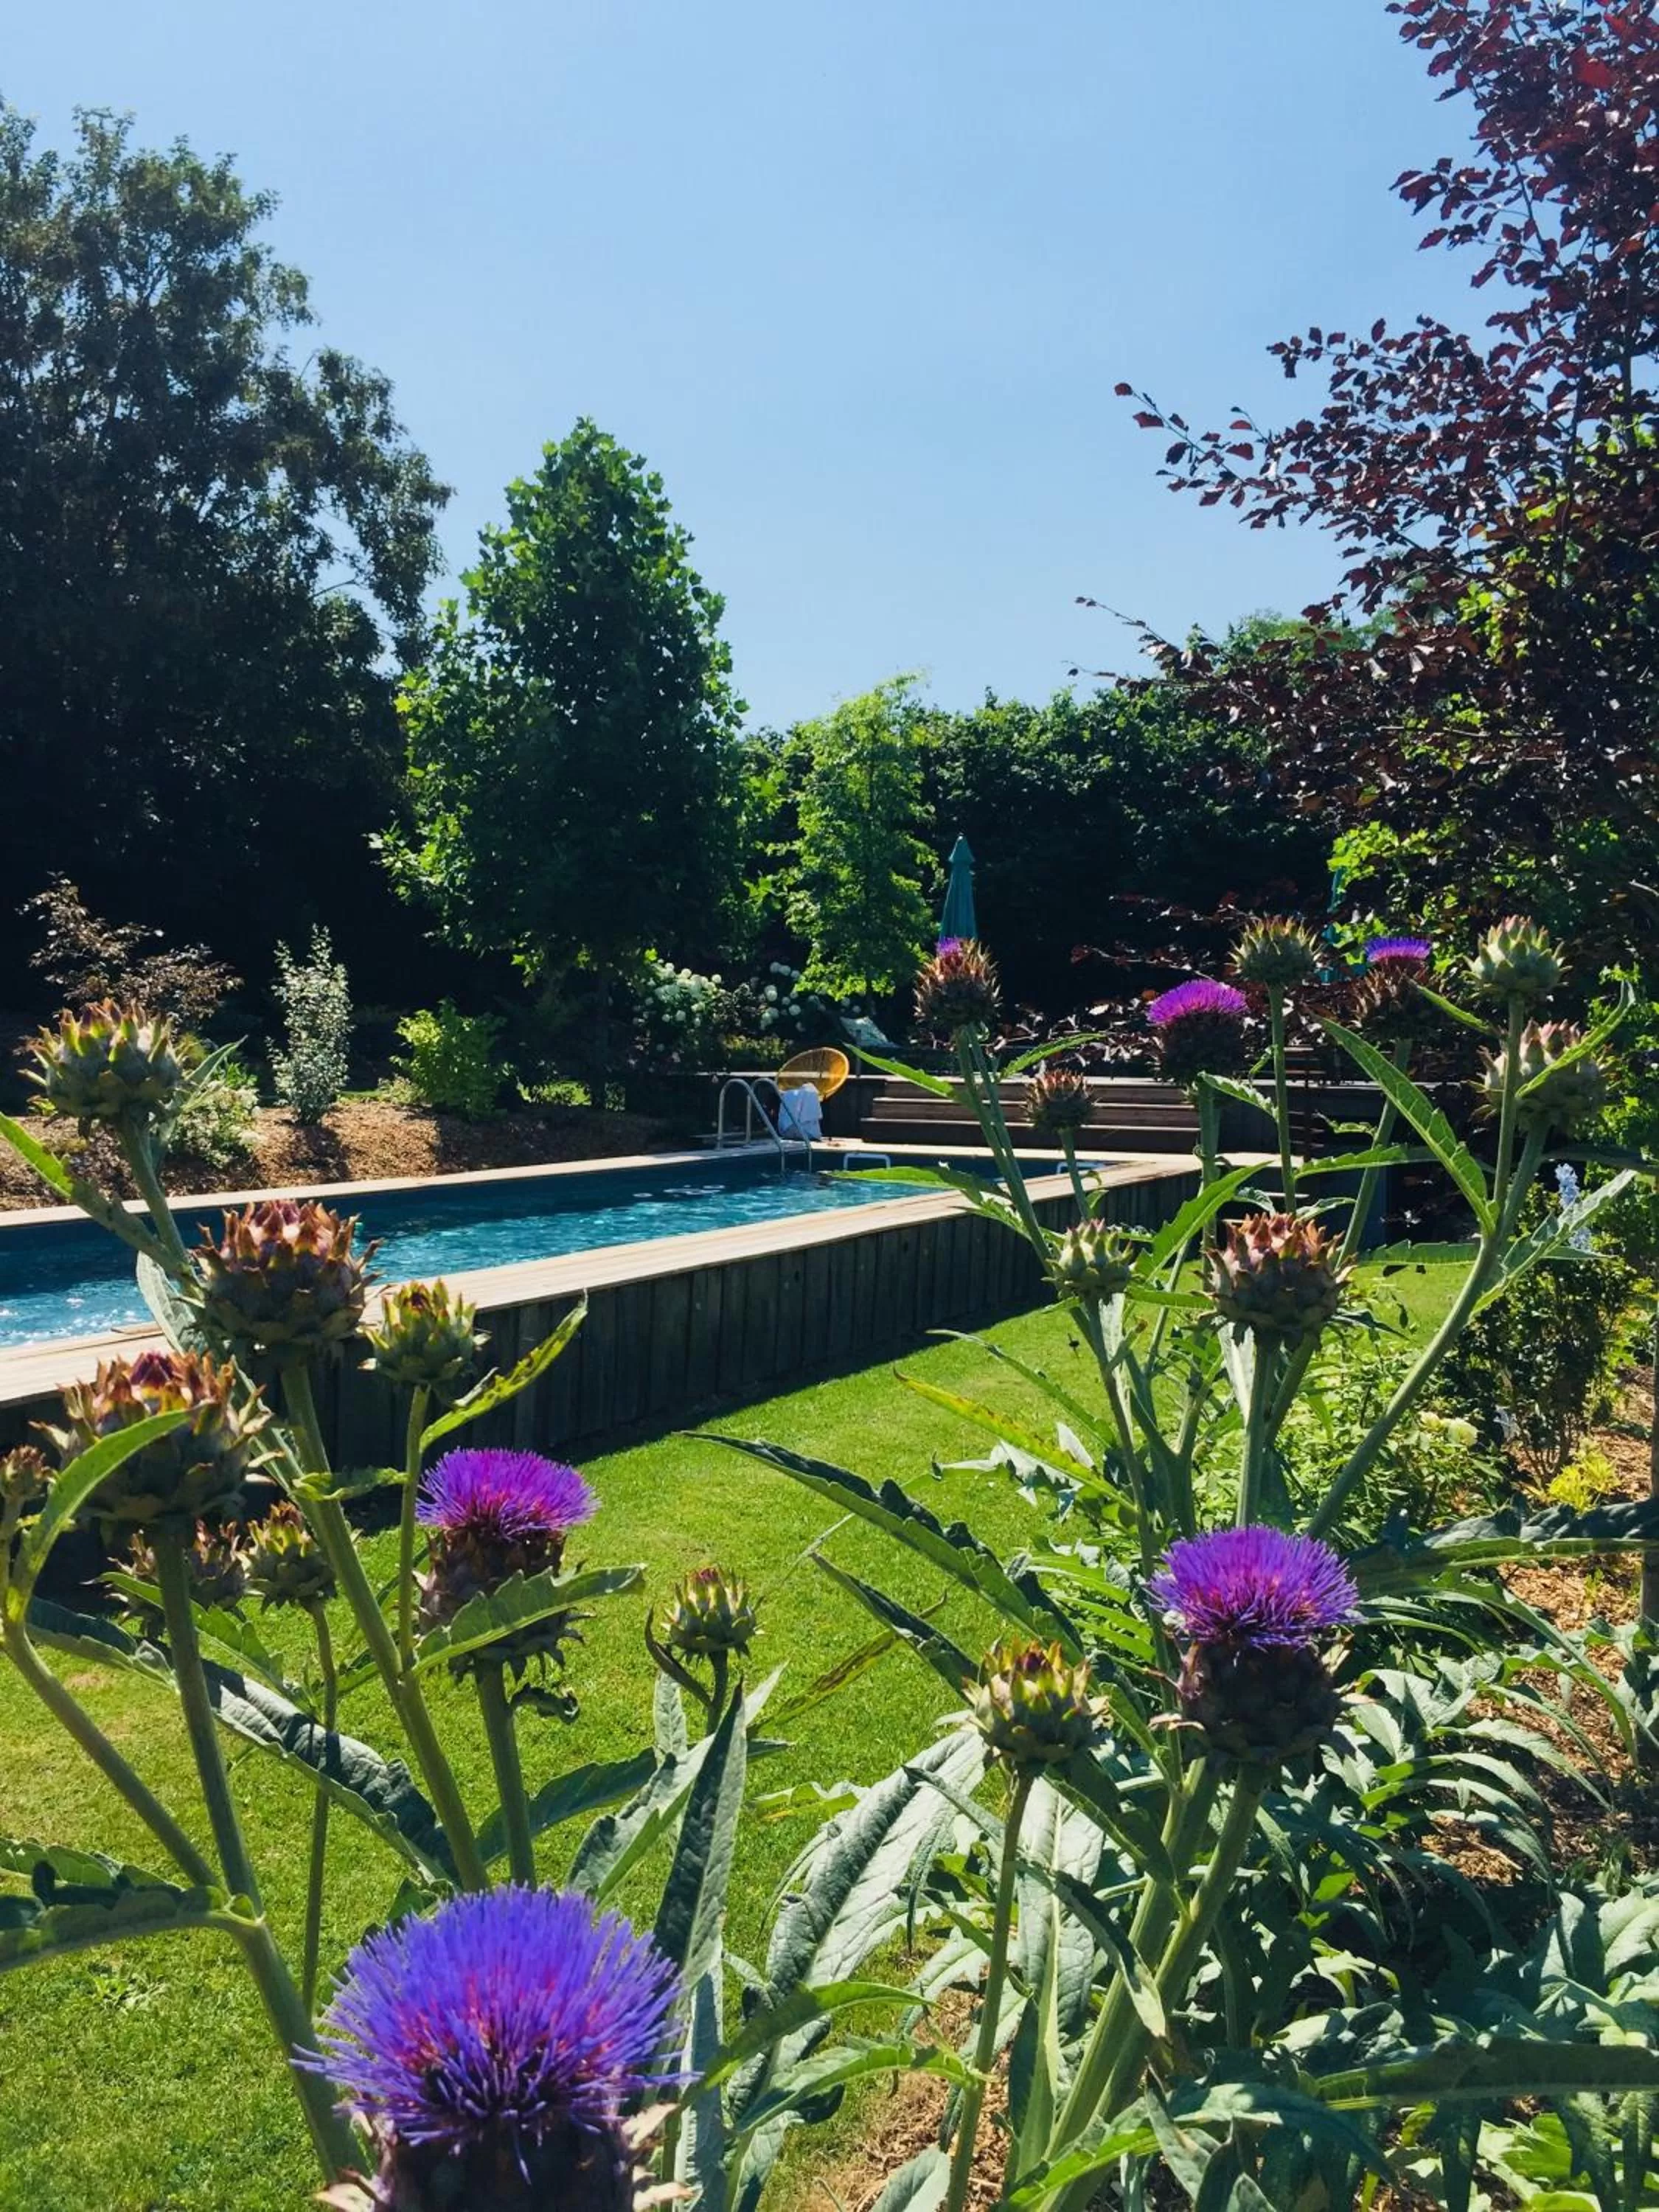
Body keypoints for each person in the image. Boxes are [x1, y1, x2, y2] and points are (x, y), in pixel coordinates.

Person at [776, 1080, 823, 1144]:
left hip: (788, 1131)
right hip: (806, 1132)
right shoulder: (811, 1094)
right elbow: (817, 1116)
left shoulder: (788, 1095)